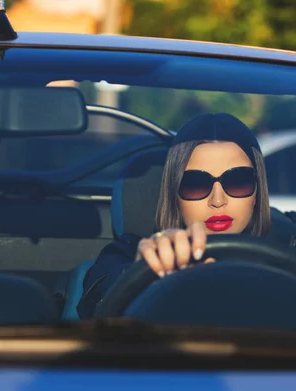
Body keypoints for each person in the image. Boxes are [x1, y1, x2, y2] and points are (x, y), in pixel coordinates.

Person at [76, 112, 272, 319]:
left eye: (238, 180)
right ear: (174, 194)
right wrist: (140, 275)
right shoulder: (124, 255)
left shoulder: (291, 254)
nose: (217, 200)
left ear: (257, 190)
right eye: (195, 184)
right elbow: (98, 298)